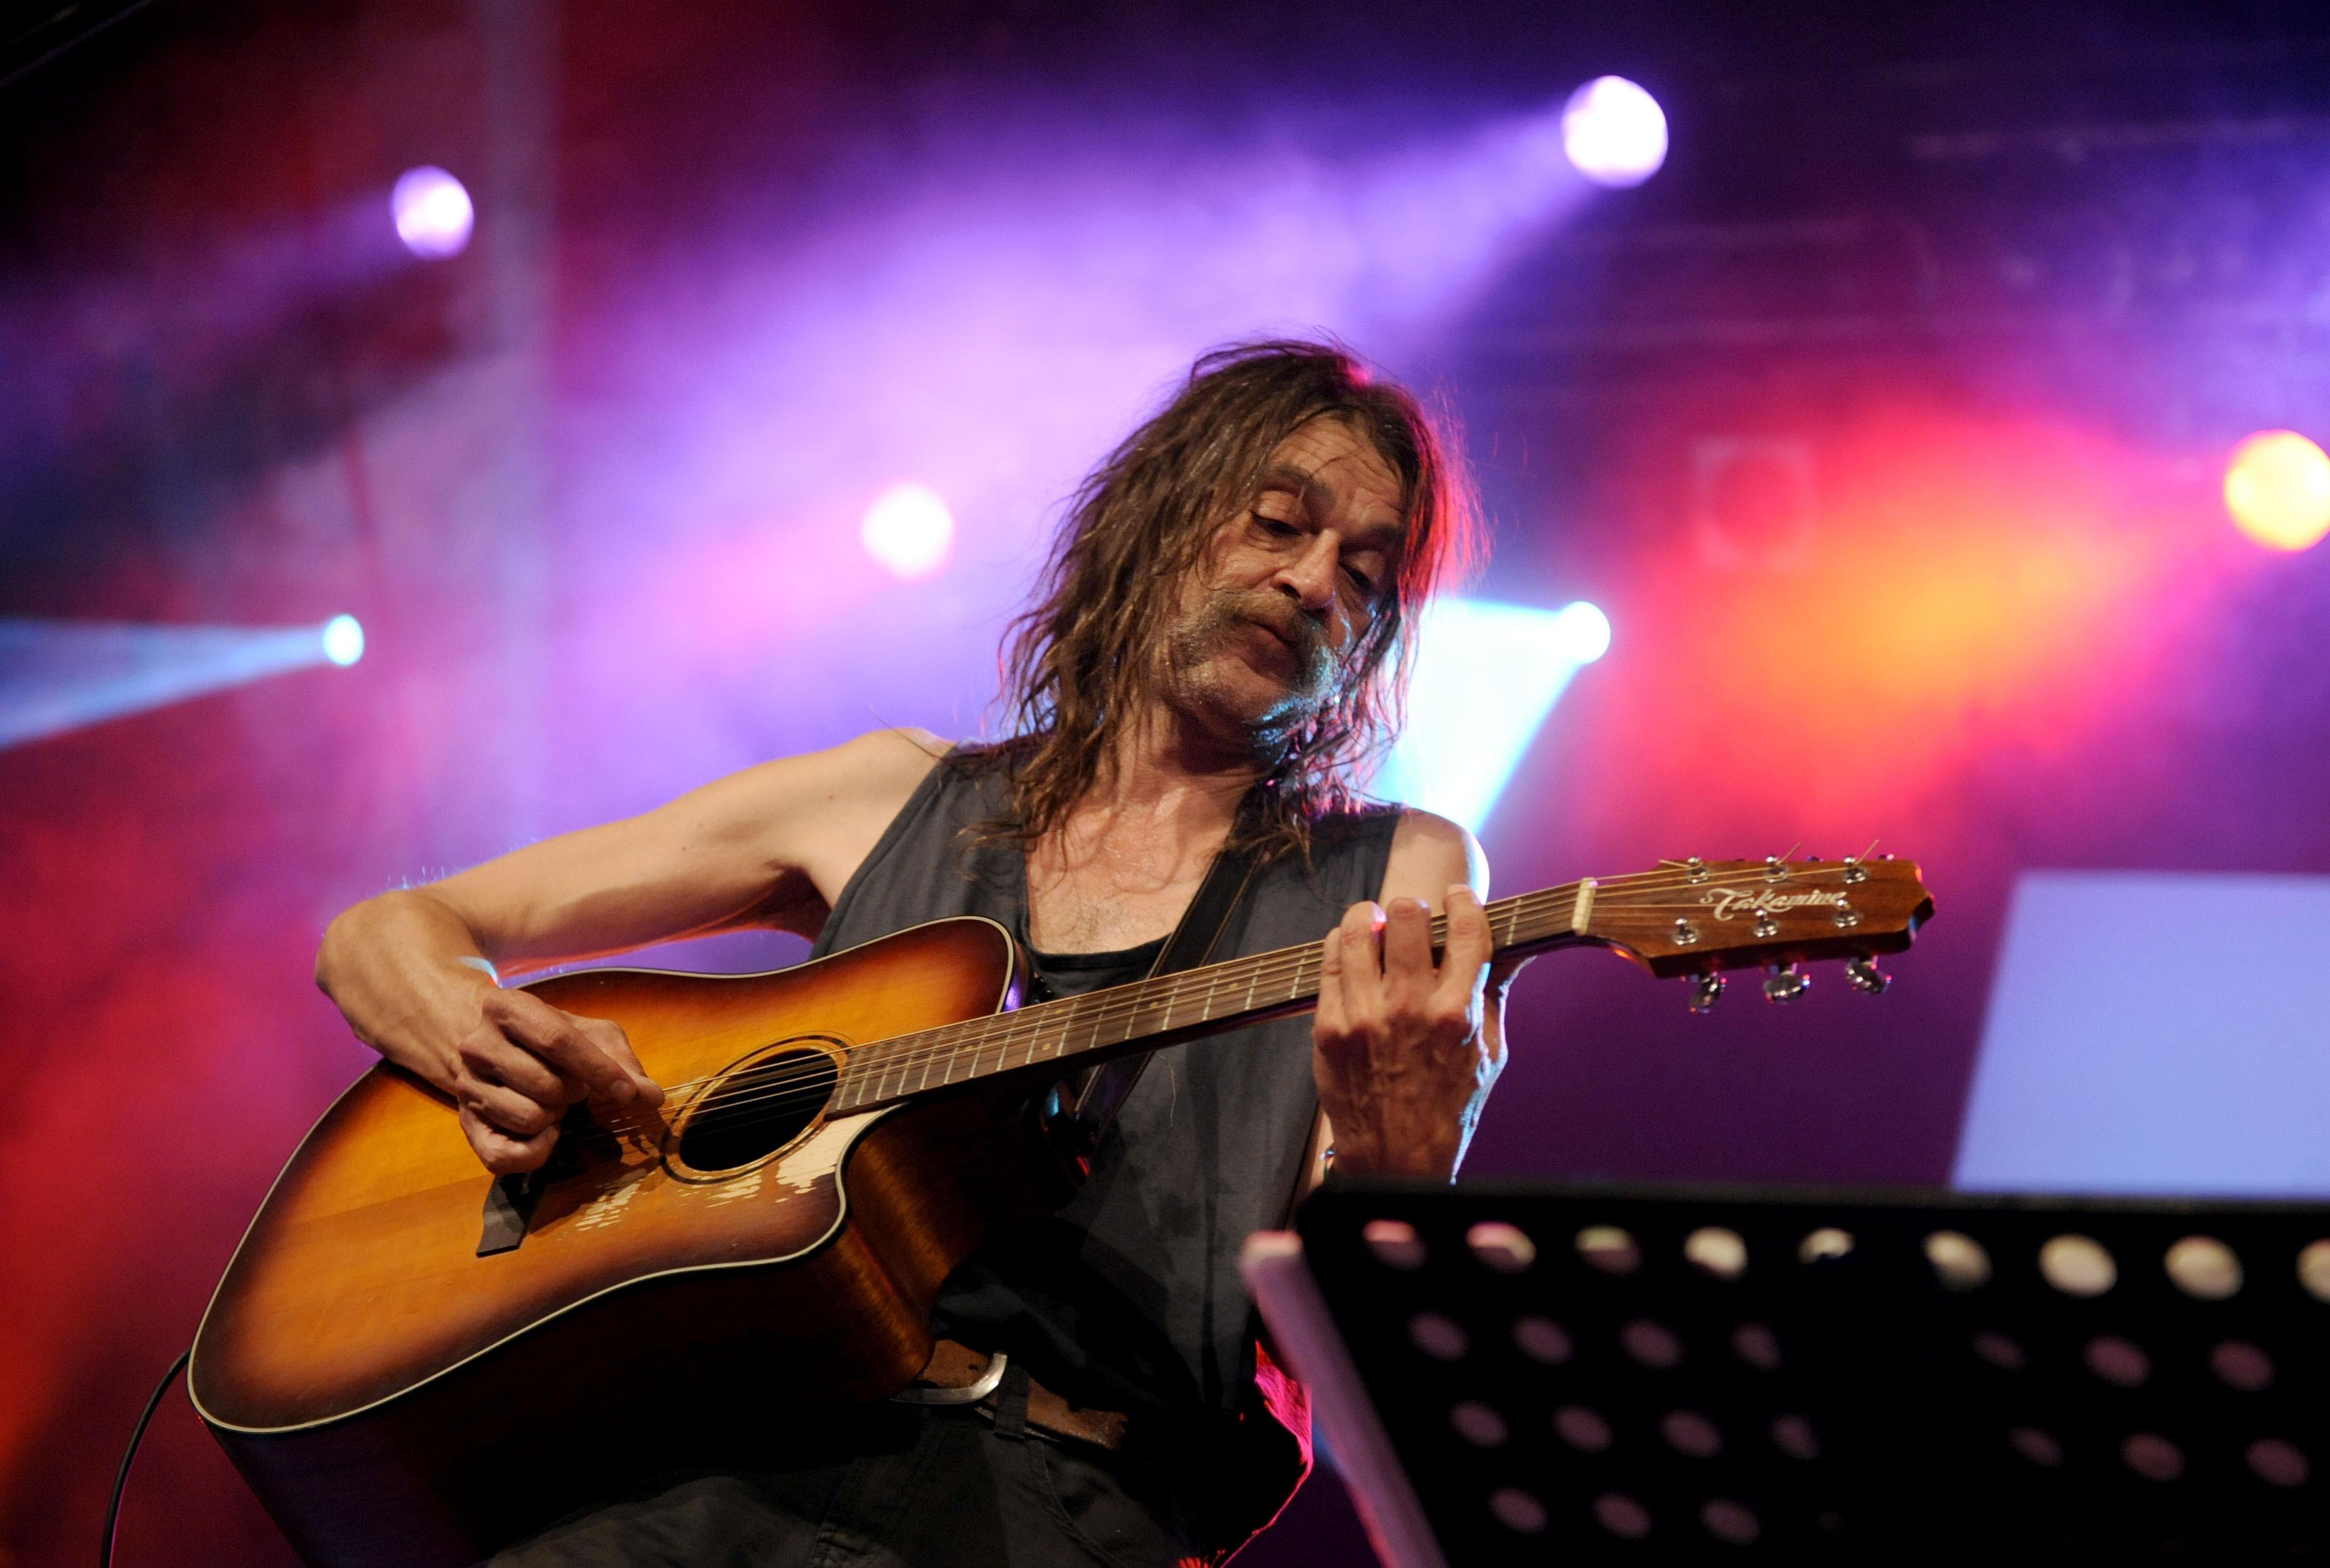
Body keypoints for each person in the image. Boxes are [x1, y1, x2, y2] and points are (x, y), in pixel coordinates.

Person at [314, 339, 1517, 1566]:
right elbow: (387, 932)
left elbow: (1369, 1382)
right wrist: (473, 1031)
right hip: (700, 1471)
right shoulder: (888, 794)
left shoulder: (1393, 877)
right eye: (1277, 522)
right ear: (1165, 511)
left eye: (1365, 579)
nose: (1314, 582)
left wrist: (1401, 1171)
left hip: (1060, 1504)